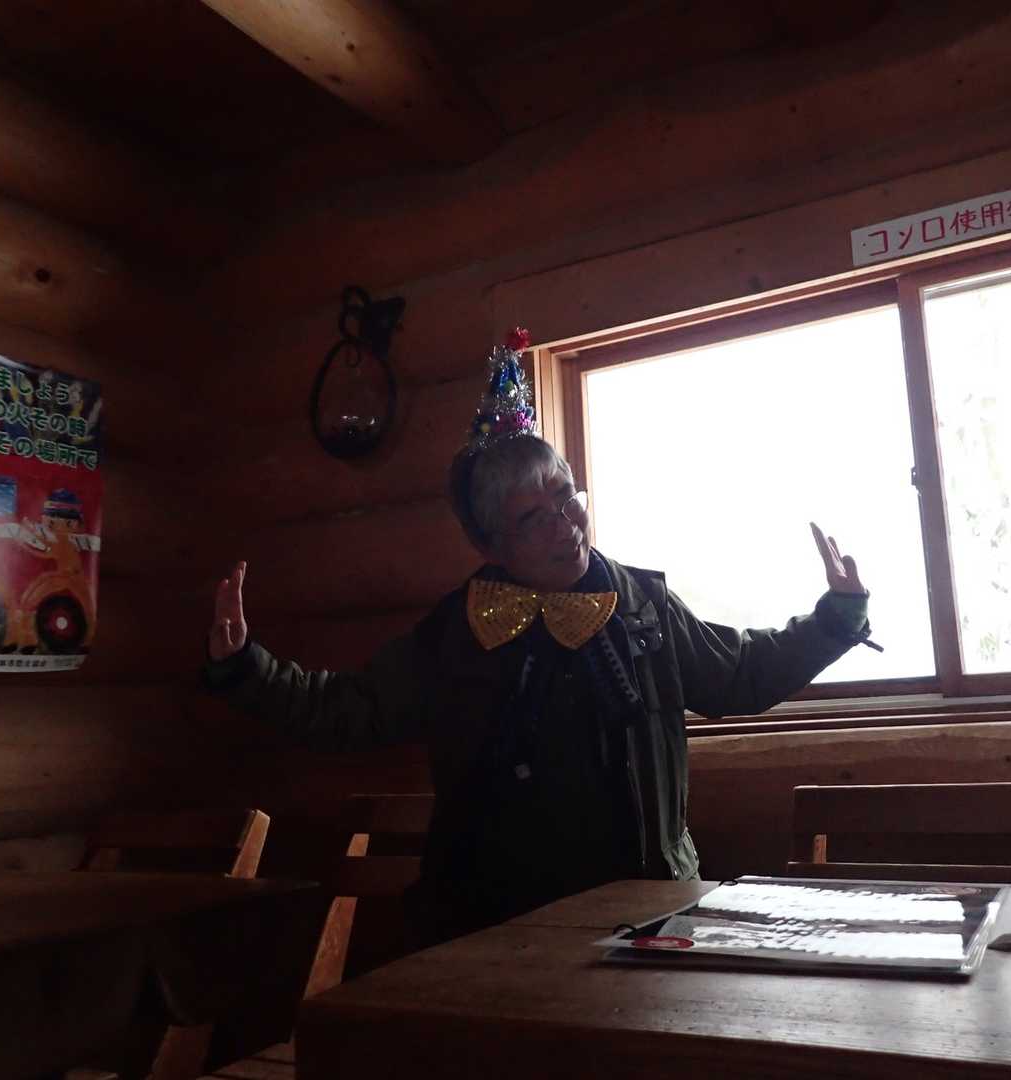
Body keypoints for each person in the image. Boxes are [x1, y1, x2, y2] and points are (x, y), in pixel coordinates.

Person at [203, 329, 876, 943]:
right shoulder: (458, 629)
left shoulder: (644, 606)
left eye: (566, 496)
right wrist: (244, 668)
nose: (564, 524)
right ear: (492, 545)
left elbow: (741, 674)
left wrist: (836, 619)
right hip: (493, 924)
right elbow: (351, 710)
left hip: (648, 909)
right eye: (533, 517)